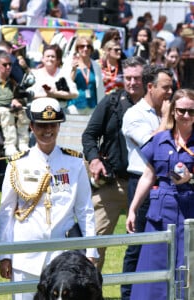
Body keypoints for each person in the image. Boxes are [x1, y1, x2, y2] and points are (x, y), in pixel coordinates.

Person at [0, 97, 99, 300]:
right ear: (32, 127)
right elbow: (6, 212)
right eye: (42, 125)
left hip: (63, 258)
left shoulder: (74, 162)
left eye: (52, 125)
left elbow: (84, 209)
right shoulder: (18, 164)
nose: (47, 131)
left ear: (59, 126)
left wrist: (91, 251)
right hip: (25, 255)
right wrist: (5, 254)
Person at [126, 88, 194, 300]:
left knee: (186, 265)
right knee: (153, 265)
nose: (186, 116)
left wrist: (189, 178)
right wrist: (133, 208)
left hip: (189, 210)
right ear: (173, 111)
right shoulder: (160, 139)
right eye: (182, 110)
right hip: (160, 211)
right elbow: (148, 175)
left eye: (192, 112)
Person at [82, 56, 146, 272]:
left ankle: (139, 291)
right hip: (112, 183)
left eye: (137, 78)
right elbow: (89, 135)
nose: (132, 83)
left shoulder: (156, 106)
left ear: (146, 79)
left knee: (144, 243)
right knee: (93, 243)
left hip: (143, 184)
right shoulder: (111, 102)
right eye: (128, 78)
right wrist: (94, 159)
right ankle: (86, 290)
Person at [121, 65, 173, 300]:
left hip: (166, 186)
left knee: (163, 244)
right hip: (140, 183)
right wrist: (165, 119)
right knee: (138, 244)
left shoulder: (169, 111)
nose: (170, 93)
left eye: (172, 87)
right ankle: (128, 293)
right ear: (150, 87)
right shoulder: (134, 115)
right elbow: (152, 147)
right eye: (165, 87)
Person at [28, 44, 78, 110]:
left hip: (60, 111)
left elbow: (75, 94)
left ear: (57, 59)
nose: (50, 58)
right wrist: (47, 95)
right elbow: (27, 95)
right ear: (42, 59)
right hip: (38, 111)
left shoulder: (64, 74)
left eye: (53, 56)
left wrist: (55, 94)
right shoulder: (34, 74)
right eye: (48, 56)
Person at [67, 35, 104, 114]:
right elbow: (69, 82)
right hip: (75, 106)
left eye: (88, 46)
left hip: (92, 106)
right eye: (82, 46)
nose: (85, 49)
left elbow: (99, 87)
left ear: (91, 49)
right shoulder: (71, 64)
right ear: (77, 48)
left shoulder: (96, 66)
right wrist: (73, 69)